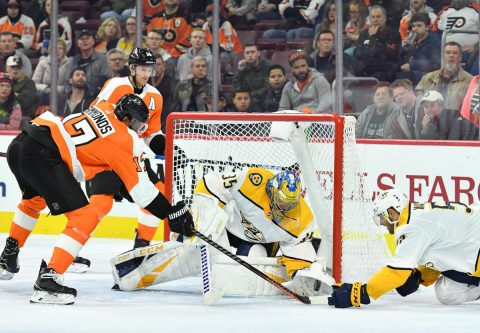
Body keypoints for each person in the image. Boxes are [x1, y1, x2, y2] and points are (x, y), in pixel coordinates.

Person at [0, 94, 194, 304]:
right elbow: (141, 190)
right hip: (44, 154)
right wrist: (169, 213)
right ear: (127, 118)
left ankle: (8, 257)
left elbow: (98, 153)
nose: (138, 130)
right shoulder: (124, 140)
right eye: (137, 123)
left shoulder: (105, 106)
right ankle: (49, 279)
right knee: (85, 217)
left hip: (22, 142)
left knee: (33, 201)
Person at [111, 168, 335, 301]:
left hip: (262, 244)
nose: (283, 209)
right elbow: (210, 184)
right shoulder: (252, 180)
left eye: (288, 205)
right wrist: (205, 220)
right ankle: (135, 272)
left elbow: (298, 263)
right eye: (279, 202)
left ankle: (222, 270)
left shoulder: (302, 220)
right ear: (270, 190)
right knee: (194, 243)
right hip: (228, 227)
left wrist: (303, 278)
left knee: (254, 253)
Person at [328, 189, 480, 308]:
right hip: (474, 245)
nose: (381, 223)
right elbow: (443, 249)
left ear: (392, 212)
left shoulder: (413, 226)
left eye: (381, 217)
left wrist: (361, 292)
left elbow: (397, 273)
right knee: (447, 293)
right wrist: (421, 275)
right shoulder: (418, 215)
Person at [90, 47, 166, 247]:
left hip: (131, 157)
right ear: (132, 68)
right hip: (106, 155)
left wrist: (165, 148)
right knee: (102, 202)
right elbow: (94, 116)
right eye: (142, 69)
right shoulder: (115, 85)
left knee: (159, 192)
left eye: (150, 69)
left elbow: (151, 133)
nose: (146, 74)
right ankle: (74, 245)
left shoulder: (155, 96)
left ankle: (141, 246)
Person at [416, 42, 473, 111]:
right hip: (429, 119)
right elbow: (418, 98)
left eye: (455, 53)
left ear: (460, 58)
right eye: (448, 53)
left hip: (455, 120)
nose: (451, 56)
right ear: (443, 57)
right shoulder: (428, 77)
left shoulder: (470, 80)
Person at [353, 5, 401, 82]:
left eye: (378, 17)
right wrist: (369, 40)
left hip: (384, 71)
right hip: (365, 70)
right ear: (369, 19)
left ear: (384, 19)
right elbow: (358, 54)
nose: (375, 19)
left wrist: (373, 37)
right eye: (373, 17)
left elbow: (386, 54)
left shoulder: (393, 33)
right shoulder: (364, 34)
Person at [397, 12, 441, 85]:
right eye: (413, 26)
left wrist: (411, 65)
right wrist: (403, 50)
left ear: (427, 27)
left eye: (419, 26)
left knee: (403, 76)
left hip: (428, 76)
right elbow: (401, 62)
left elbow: (435, 64)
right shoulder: (412, 41)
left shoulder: (434, 41)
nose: (415, 29)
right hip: (413, 73)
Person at [67, 30, 111, 97]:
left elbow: (108, 78)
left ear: (93, 41)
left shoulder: (103, 59)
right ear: (77, 43)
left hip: (97, 96)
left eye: (87, 38)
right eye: (82, 39)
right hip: (76, 96)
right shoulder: (72, 61)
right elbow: (67, 81)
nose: (85, 41)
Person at [32, 38, 71, 106]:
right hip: (44, 94)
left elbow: (69, 85)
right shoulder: (42, 63)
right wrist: (46, 89)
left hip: (61, 95)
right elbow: (33, 84)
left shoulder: (69, 64)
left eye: (60, 48)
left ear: (64, 51)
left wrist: (55, 90)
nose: (57, 51)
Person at [149, 54, 177, 131]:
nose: (155, 67)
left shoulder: (173, 84)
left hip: (167, 123)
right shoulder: (144, 83)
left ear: (164, 66)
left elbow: (174, 107)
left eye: (158, 64)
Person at [5, 55, 36, 124]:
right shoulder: (3, 82)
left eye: (18, 67)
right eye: (13, 67)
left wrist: (9, 93)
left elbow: (24, 103)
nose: (15, 70)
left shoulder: (29, 83)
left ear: (22, 69)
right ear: (7, 68)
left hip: (23, 117)